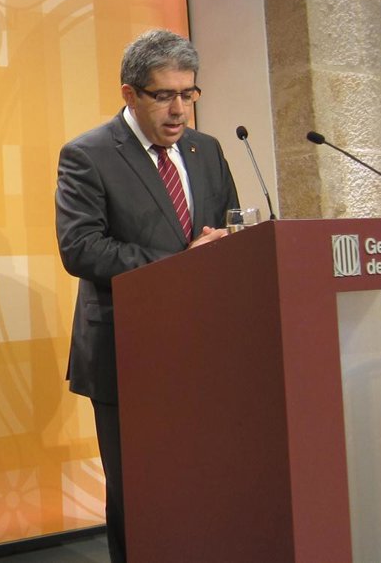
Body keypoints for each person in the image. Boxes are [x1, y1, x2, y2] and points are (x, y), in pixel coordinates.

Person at [54, 29, 239, 562]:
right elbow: (81, 249)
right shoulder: (88, 154)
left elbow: (227, 229)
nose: (179, 110)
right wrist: (182, 262)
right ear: (130, 94)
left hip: (202, 347)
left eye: (188, 93)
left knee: (203, 483)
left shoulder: (207, 150)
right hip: (126, 350)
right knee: (140, 492)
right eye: (164, 96)